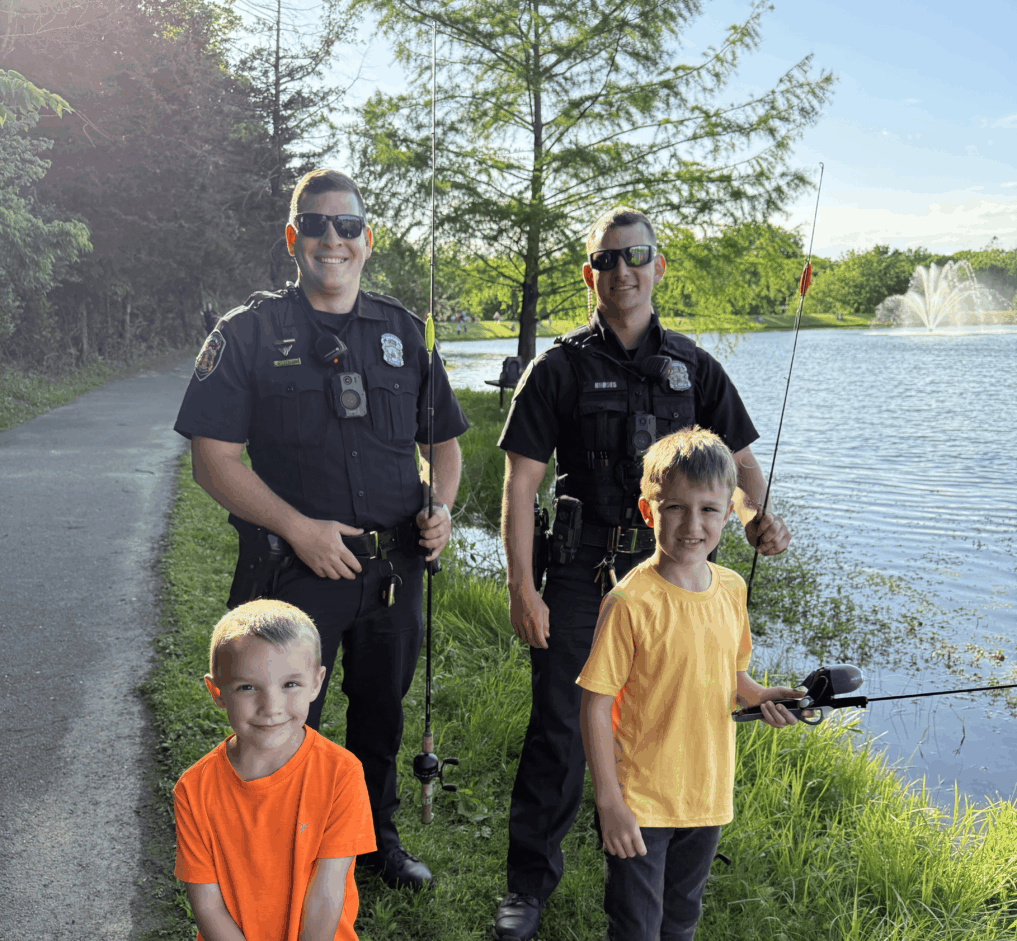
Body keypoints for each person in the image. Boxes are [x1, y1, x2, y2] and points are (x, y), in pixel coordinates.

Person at [493, 206, 792, 940]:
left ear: (659, 265)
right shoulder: (558, 367)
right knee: (561, 727)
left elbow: (743, 464)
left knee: (673, 712)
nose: (621, 270)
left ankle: (648, 855)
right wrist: (520, 587)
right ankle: (527, 887)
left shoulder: (694, 367)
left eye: (636, 256)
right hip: (578, 572)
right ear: (587, 272)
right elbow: (520, 485)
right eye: (606, 259)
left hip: (677, 572)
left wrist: (758, 515)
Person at [174, 168, 469, 892]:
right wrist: (297, 528)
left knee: (380, 714)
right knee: (275, 717)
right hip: (292, 570)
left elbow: (445, 444)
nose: (330, 239)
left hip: (392, 571)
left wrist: (443, 506)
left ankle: (374, 844)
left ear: (367, 240)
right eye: (314, 225)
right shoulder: (246, 334)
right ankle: (271, 849)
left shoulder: (404, 330)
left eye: (345, 226)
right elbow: (212, 463)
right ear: (291, 237)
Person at [578, 427, 805, 941]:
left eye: (708, 510)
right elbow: (594, 706)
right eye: (675, 508)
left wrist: (761, 696)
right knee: (637, 925)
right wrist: (609, 804)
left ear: (729, 513)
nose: (692, 525)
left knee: (681, 921)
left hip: (707, 794)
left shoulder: (731, 588)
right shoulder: (630, 603)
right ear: (647, 512)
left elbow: (732, 676)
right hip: (640, 801)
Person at [174, 600, 376, 941]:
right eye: (248, 687)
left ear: (316, 682)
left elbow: (325, 895)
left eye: (290, 685)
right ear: (217, 692)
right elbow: (207, 905)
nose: (272, 708)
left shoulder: (341, 773)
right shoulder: (194, 789)